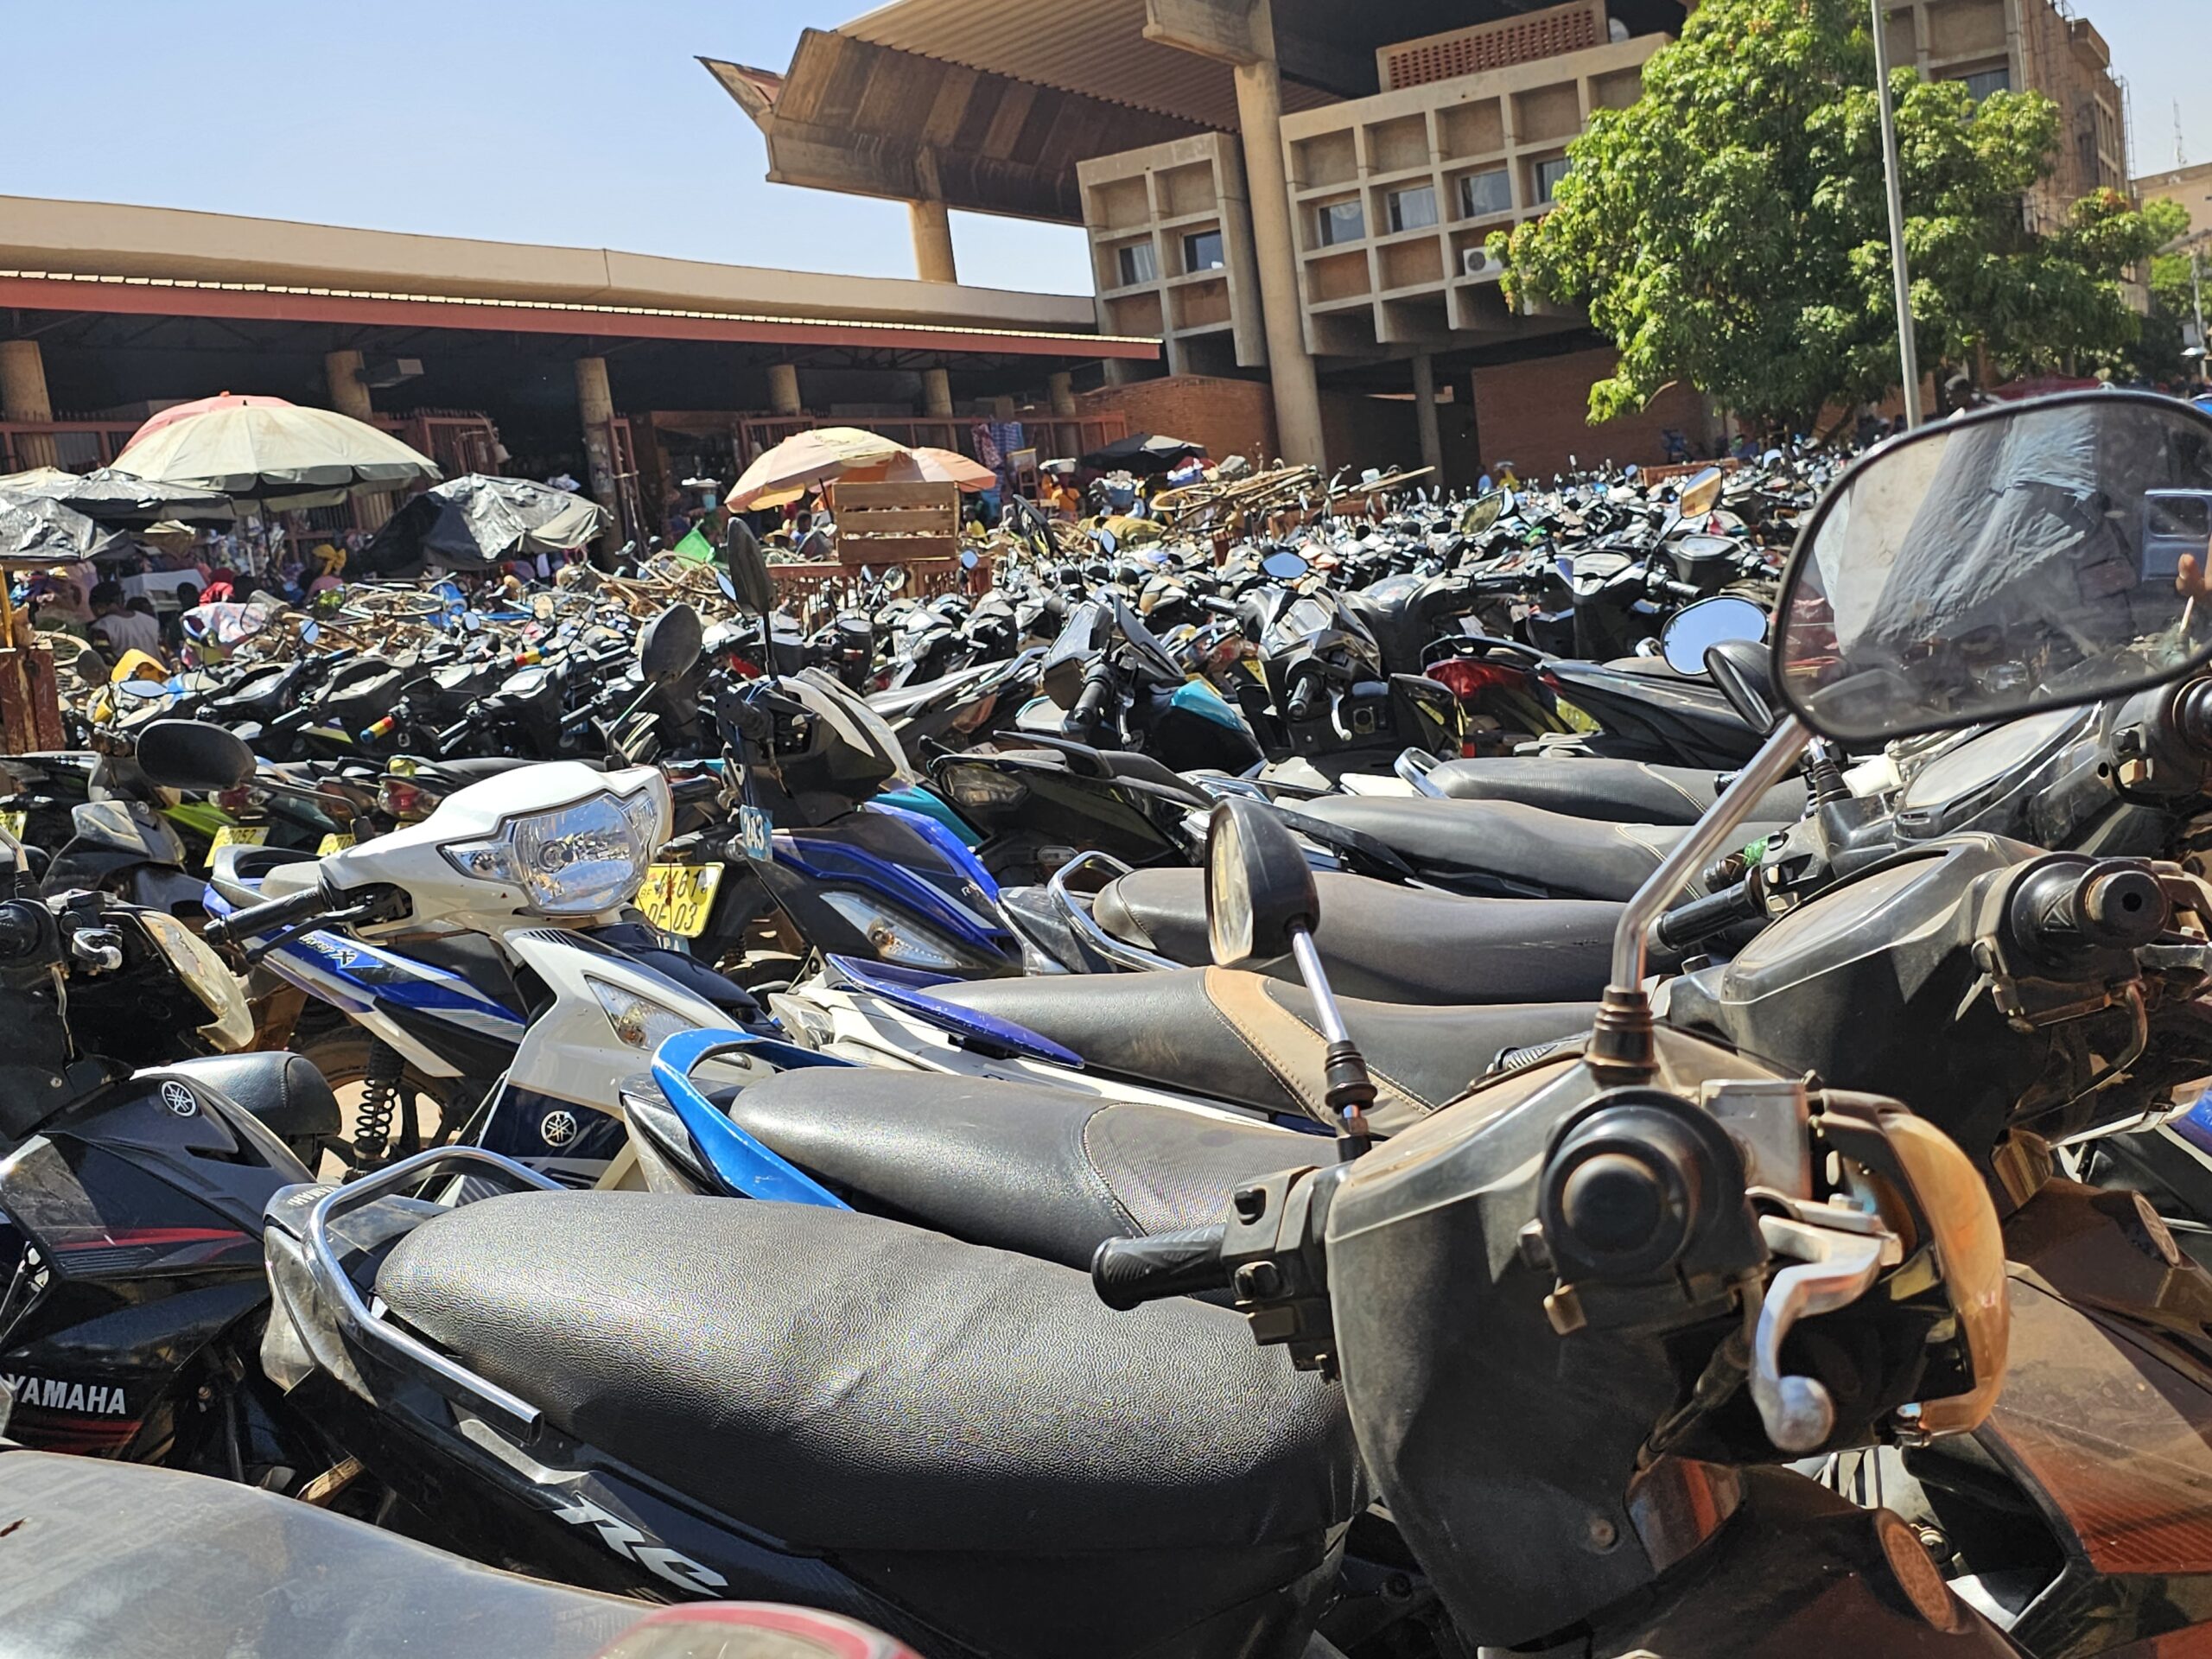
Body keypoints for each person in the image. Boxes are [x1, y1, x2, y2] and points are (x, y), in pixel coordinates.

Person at [90, 581, 164, 662]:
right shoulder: (150, 620)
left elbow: (105, 660)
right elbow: (164, 649)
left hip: (127, 674)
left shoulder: (102, 628)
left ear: (99, 607)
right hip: (160, 672)